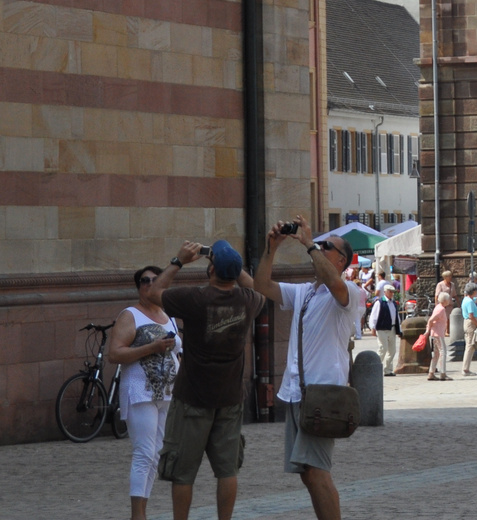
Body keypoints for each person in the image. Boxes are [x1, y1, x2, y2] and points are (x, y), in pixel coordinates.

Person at [252, 217, 365, 520]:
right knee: (307, 473)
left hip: (324, 396)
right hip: (299, 394)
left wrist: (310, 244)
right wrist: (271, 249)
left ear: (341, 260)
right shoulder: (305, 292)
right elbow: (261, 285)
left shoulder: (350, 292)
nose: (319, 248)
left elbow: (334, 283)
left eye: (327, 247)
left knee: (317, 471)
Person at [150, 239, 262, 520]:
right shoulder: (248, 301)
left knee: (183, 472)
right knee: (227, 470)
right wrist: (233, 266)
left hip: (192, 399)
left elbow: (154, 292)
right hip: (230, 399)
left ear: (210, 270)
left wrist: (178, 260)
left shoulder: (194, 299)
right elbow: (256, 288)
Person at [107, 265, 181, 520]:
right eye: (144, 281)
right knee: (144, 453)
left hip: (168, 393)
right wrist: (152, 347)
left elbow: (177, 352)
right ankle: (137, 515)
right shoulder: (131, 315)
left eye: (154, 280)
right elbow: (114, 354)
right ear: (138, 287)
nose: (149, 284)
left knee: (156, 453)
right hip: (141, 392)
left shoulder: (167, 314)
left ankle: (143, 509)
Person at [368, 283, 401, 377]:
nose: (392, 294)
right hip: (382, 328)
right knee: (383, 348)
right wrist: (372, 327)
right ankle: (375, 368)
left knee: (392, 350)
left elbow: (396, 317)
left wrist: (399, 330)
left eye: (393, 292)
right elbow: (374, 316)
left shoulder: (393, 303)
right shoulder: (380, 302)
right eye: (390, 292)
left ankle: (388, 370)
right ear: (385, 292)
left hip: (392, 328)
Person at [426, 292, 451, 381]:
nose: (449, 300)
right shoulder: (441, 309)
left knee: (436, 354)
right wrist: (427, 331)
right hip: (438, 334)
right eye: (448, 299)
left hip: (435, 334)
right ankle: (443, 373)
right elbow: (431, 320)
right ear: (445, 300)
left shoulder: (438, 307)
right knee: (443, 352)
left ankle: (431, 373)